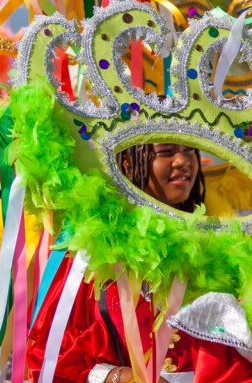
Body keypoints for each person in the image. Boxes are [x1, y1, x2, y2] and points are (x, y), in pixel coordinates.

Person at [26, 143, 252, 383]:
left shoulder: (220, 251)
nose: (182, 161)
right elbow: (46, 352)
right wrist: (120, 377)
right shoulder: (90, 253)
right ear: (128, 162)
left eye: (190, 151)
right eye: (166, 152)